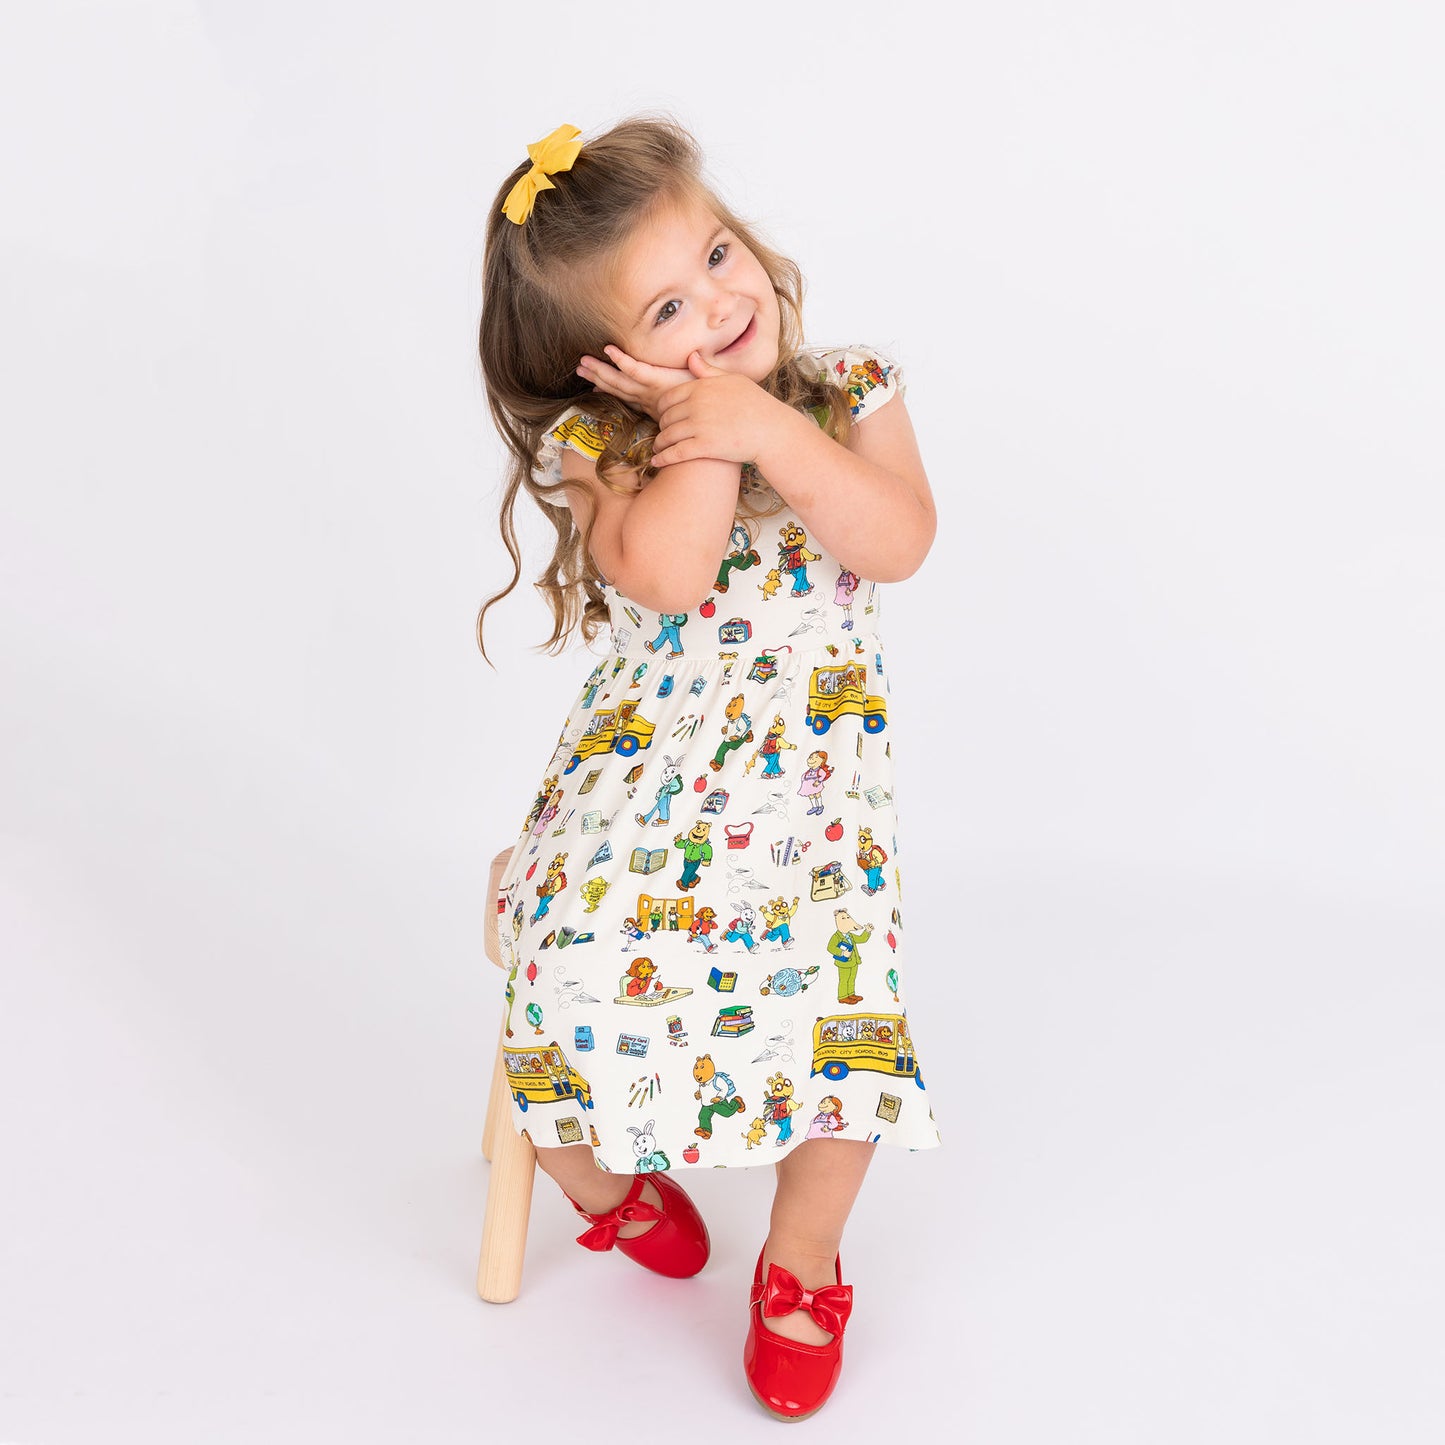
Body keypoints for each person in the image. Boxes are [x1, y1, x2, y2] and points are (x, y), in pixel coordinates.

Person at [476, 115, 940, 1422]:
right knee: (550, 987)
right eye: (669, 306)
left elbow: (894, 538)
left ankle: (797, 1262)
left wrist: (771, 425)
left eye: (719, 254)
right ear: (605, 364)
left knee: (848, 1042)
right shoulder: (602, 455)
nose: (723, 301)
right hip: (637, 806)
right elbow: (671, 580)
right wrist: (703, 427)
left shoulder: (850, 389)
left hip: (810, 821)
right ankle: (610, 1193)